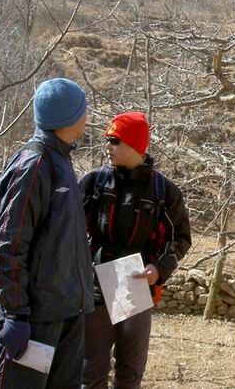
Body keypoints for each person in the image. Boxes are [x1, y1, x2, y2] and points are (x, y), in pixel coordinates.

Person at [0, 77, 94, 389]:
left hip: (67, 313)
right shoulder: (34, 164)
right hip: (34, 320)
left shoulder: (61, 160)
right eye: (83, 108)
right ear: (68, 115)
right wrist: (16, 313)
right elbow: (7, 245)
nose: (87, 115)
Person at [79, 111, 192, 389]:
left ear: (134, 144)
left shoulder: (163, 191)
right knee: (90, 371)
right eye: (107, 140)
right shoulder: (93, 182)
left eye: (114, 140)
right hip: (94, 283)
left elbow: (180, 237)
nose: (107, 146)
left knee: (130, 372)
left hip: (135, 283)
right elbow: (69, 231)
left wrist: (159, 269)